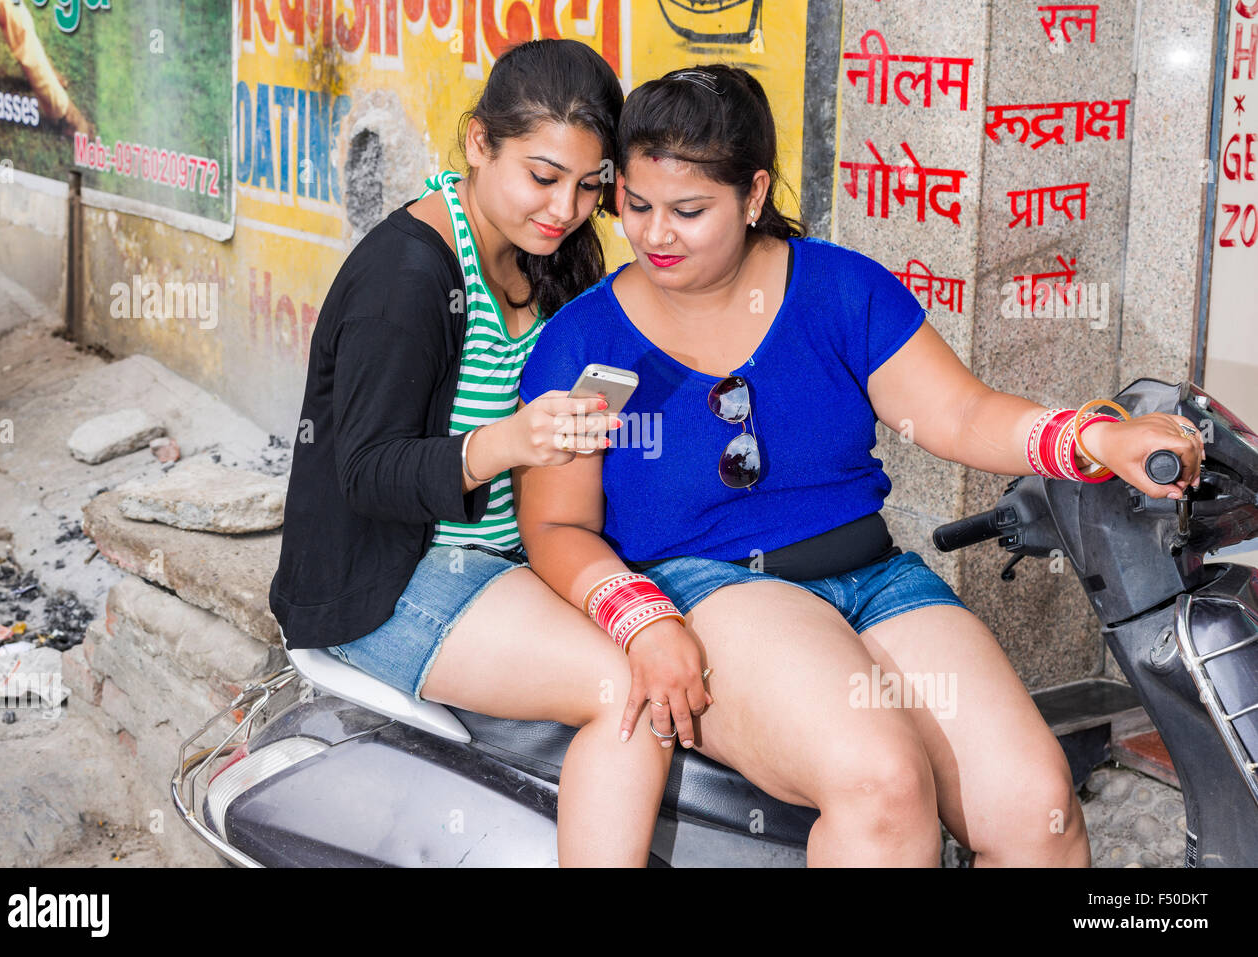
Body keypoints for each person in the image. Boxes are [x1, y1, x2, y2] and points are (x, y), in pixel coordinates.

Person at [514, 64, 1206, 867]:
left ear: (752, 193)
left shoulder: (840, 288)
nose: (655, 234)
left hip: (873, 580)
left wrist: (1090, 435)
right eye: (636, 206)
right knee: (882, 784)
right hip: (717, 589)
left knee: (1037, 805)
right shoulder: (583, 339)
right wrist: (642, 618)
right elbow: (555, 524)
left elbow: (959, 413)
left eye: (689, 210)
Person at [268, 39, 677, 867]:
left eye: (588, 185)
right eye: (542, 175)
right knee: (627, 689)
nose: (564, 208)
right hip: (389, 579)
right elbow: (367, 473)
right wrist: (503, 444)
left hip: (508, 556)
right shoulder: (408, 279)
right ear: (478, 143)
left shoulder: (546, 252)